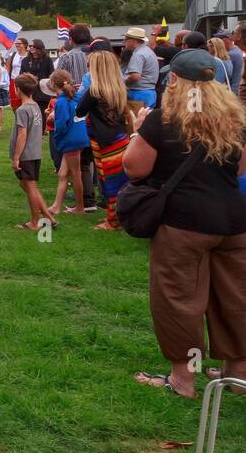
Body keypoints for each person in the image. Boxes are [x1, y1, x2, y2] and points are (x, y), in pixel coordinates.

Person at [125, 49, 246, 398]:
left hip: (184, 225)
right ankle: (236, 373)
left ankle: (183, 379)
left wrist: (135, 133)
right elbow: (238, 170)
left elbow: (135, 168)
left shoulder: (162, 120)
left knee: (179, 299)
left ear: (174, 80)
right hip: (234, 222)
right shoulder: (234, 119)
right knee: (234, 298)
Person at [75, 45, 131, 230]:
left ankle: (114, 221)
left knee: (111, 182)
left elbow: (80, 110)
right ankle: (118, 217)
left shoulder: (94, 91)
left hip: (104, 142)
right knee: (120, 180)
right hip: (120, 138)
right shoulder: (120, 88)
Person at [10, 74, 53, 230]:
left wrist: (16, 158)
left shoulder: (22, 110)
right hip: (35, 153)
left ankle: (36, 222)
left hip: (25, 155)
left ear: (18, 89)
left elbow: (22, 134)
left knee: (30, 187)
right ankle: (49, 218)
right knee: (26, 185)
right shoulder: (36, 107)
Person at [45, 71, 88, 217]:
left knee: (75, 173)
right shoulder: (75, 97)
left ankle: (80, 207)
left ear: (52, 84)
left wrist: (56, 133)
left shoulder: (62, 102)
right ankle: (56, 206)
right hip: (78, 137)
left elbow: (61, 124)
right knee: (63, 173)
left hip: (71, 140)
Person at [122, 27, 159, 107]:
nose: (125, 42)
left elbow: (135, 77)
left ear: (133, 41)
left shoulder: (138, 55)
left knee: (136, 118)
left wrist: (122, 83)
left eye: (126, 40)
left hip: (138, 94)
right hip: (149, 92)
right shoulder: (148, 51)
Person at [21, 39, 54, 117]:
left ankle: (41, 129)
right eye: (30, 46)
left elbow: (51, 74)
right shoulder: (25, 60)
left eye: (33, 46)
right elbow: (22, 74)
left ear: (39, 47)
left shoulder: (47, 60)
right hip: (30, 91)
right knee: (31, 114)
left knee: (42, 114)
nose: (31, 48)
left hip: (44, 91)